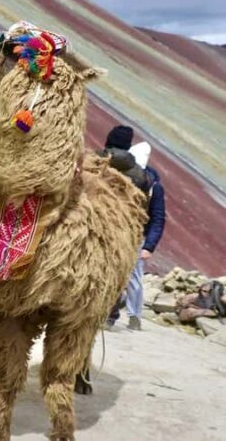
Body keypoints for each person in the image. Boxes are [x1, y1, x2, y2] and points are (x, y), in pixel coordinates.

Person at [102, 127, 166, 331]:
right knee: (115, 273)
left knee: (130, 276)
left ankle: (132, 316)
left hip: (136, 236)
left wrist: (149, 246)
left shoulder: (151, 185)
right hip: (124, 232)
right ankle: (112, 313)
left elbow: (157, 218)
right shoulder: (132, 176)